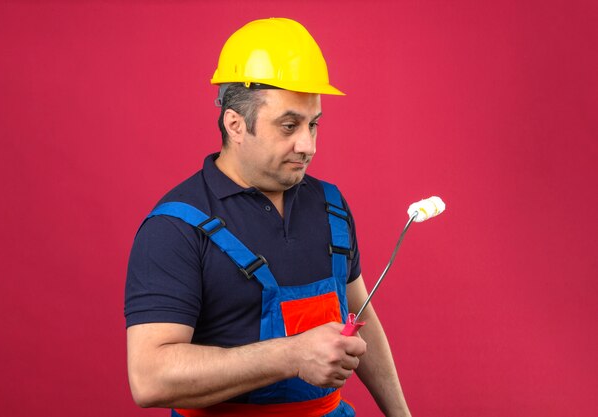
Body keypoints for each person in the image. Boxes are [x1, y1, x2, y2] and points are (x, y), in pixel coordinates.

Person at [125, 17, 411, 417]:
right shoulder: (175, 228)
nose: (307, 145)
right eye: (289, 125)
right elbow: (150, 378)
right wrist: (291, 355)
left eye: (314, 124)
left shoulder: (330, 205)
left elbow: (360, 312)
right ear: (236, 124)